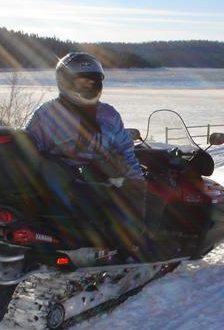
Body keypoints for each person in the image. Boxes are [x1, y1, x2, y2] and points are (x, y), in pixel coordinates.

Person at [24, 52, 146, 257]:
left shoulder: (108, 114)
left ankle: (125, 245)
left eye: (92, 83)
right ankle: (125, 251)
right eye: (81, 83)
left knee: (136, 193)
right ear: (65, 82)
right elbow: (30, 146)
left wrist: (136, 179)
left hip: (101, 177)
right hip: (67, 181)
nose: (88, 87)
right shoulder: (47, 114)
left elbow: (125, 148)